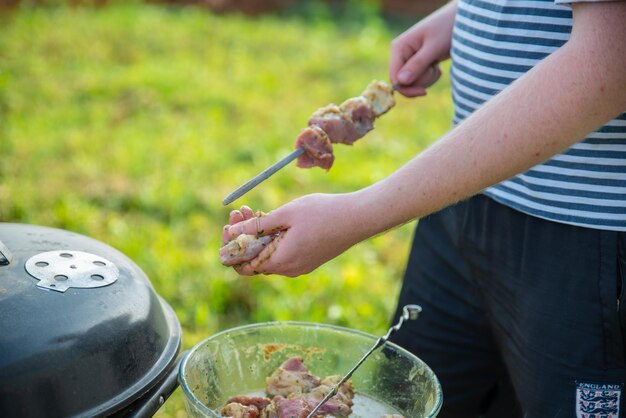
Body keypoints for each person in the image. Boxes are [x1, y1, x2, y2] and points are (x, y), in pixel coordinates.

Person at [222, 0, 626, 415]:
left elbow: (613, 57)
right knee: (417, 403)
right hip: (462, 200)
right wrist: (471, 17)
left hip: (583, 240)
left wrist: (358, 213)